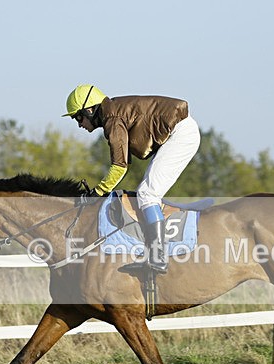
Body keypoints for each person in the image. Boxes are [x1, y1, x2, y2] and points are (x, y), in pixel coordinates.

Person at [63, 84, 201, 273]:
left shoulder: (112, 119)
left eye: (78, 117)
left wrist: (97, 192)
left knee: (147, 194)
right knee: (146, 192)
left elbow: (119, 167)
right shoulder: (113, 113)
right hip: (176, 131)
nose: (79, 124)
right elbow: (124, 163)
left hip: (180, 134)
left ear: (89, 110)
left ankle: (158, 257)